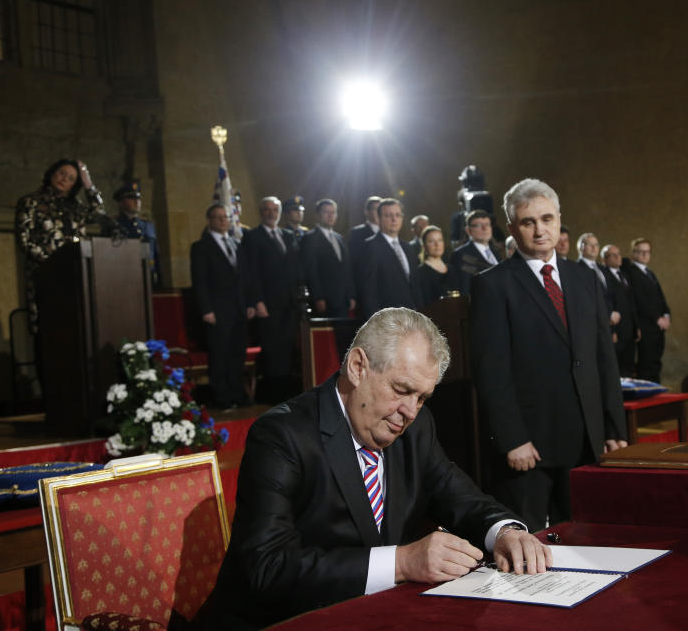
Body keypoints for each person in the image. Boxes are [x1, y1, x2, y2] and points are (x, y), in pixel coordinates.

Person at [197, 308, 549, 630]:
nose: (411, 411)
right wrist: (402, 562)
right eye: (401, 390)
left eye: (422, 397)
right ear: (357, 367)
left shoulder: (416, 428)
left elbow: (463, 498)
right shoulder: (282, 436)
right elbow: (269, 569)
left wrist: (505, 532)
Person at [469, 178, 627, 532]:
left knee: (587, 541)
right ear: (511, 228)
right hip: (528, 449)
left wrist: (614, 426)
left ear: (558, 219)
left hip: (586, 442)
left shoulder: (585, 279)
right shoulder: (492, 285)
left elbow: (604, 357)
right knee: (526, 554)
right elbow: (491, 371)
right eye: (528, 222)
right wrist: (512, 439)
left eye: (547, 219)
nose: (540, 230)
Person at [16, 158, 105, 331]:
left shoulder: (76, 207)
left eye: (71, 178)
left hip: (74, 274)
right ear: (52, 174)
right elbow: (24, 240)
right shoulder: (31, 202)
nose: (64, 179)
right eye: (61, 174)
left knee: (75, 326)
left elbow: (99, 213)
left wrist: (88, 184)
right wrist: (53, 263)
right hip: (45, 273)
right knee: (49, 328)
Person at [190, 204, 254, 408]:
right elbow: (200, 281)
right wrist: (206, 309)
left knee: (237, 354)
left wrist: (250, 303)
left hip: (239, 310)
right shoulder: (201, 246)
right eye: (217, 217)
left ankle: (237, 394)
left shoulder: (237, 244)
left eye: (225, 217)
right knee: (220, 355)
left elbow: (245, 279)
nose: (222, 221)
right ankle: (221, 398)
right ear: (209, 220)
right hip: (217, 311)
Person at [241, 196, 302, 403]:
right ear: (261, 212)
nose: (271, 213)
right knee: (272, 350)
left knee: (287, 349)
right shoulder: (252, 236)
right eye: (266, 209)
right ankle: (272, 395)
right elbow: (250, 272)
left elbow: (295, 268)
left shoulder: (287, 235)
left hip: (290, 303)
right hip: (267, 304)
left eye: (274, 209)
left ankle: (287, 392)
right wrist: (257, 301)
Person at [357, 198, 418, 317]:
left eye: (397, 215)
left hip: (412, 318)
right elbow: (368, 291)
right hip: (387, 320)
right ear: (378, 219)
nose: (394, 219)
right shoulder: (369, 247)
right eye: (388, 215)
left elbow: (415, 285)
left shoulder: (408, 248)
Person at [622, 237, 670, 382]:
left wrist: (667, 315)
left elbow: (661, 298)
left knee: (655, 363)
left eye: (647, 252)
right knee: (646, 365)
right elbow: (641, 300)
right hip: (646, 325)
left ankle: (656, 398)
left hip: (658, 327)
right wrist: (657, 318)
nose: (644, 255)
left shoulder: (650, 273)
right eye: (640, 252)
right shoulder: (631, 272)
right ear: (633, 253)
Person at [300, 198, 356, 317]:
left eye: (333, 212)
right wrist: (318, 297)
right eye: (326, 212)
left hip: (343, 299)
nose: (331, 216)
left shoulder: (339, 238)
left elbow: (347, 269)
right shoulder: (310, 238)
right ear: (318, 215)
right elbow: (311, 271)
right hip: (325, 300)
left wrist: (351, 295)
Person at [107, 181, 161, 287]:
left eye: (138, 198)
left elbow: (155, 255)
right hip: (124, 277)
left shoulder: (148, 226)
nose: (137, 201)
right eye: (131, 198)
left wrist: (159, 279)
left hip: (148, 277)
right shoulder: (113, 226)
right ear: (120, 202)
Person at [600, 244, 639, 377]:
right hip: (617, 331)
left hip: (629, 331)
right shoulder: (603, 277)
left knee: (628, 367)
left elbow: (631, 303)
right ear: (604, 259)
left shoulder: (624, 275)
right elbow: (607, 305)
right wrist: (612, 331)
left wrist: (636, 326)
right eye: (613, 255)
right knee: (616, 369)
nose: (618, 257)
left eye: (619, 254)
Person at [449, 209, 501, 295]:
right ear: (468, 230)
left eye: (487, 224)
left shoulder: (496, 253)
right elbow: (464, 288)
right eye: (479, 225)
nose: (485, 228)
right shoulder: (460, 254)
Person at [412, 225, 457, 308]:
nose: (437, 244)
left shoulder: (451, 268)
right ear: (424, 246)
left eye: (440, 240)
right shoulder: (420, 272)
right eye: (431, 241)